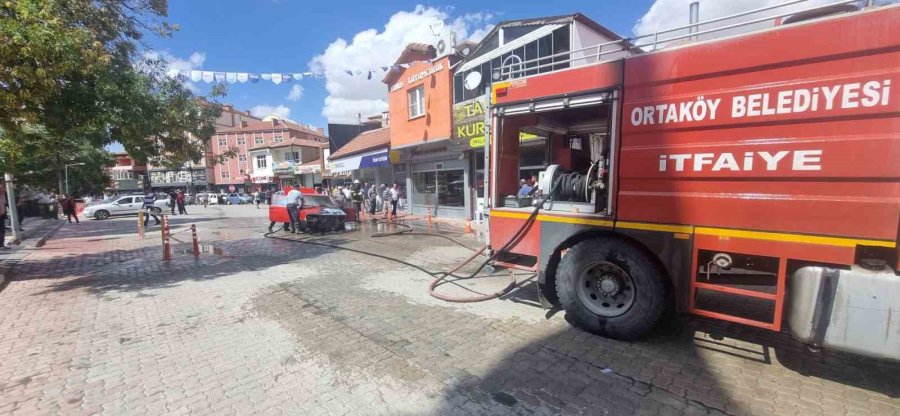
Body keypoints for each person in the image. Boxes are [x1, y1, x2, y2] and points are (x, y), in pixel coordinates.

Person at [0, 182, 9, 250]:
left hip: (2, 214)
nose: (4, 190)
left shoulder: (3, 195)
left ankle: (1, 244)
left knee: (2, 230)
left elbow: (4, 204)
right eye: (3, 189)